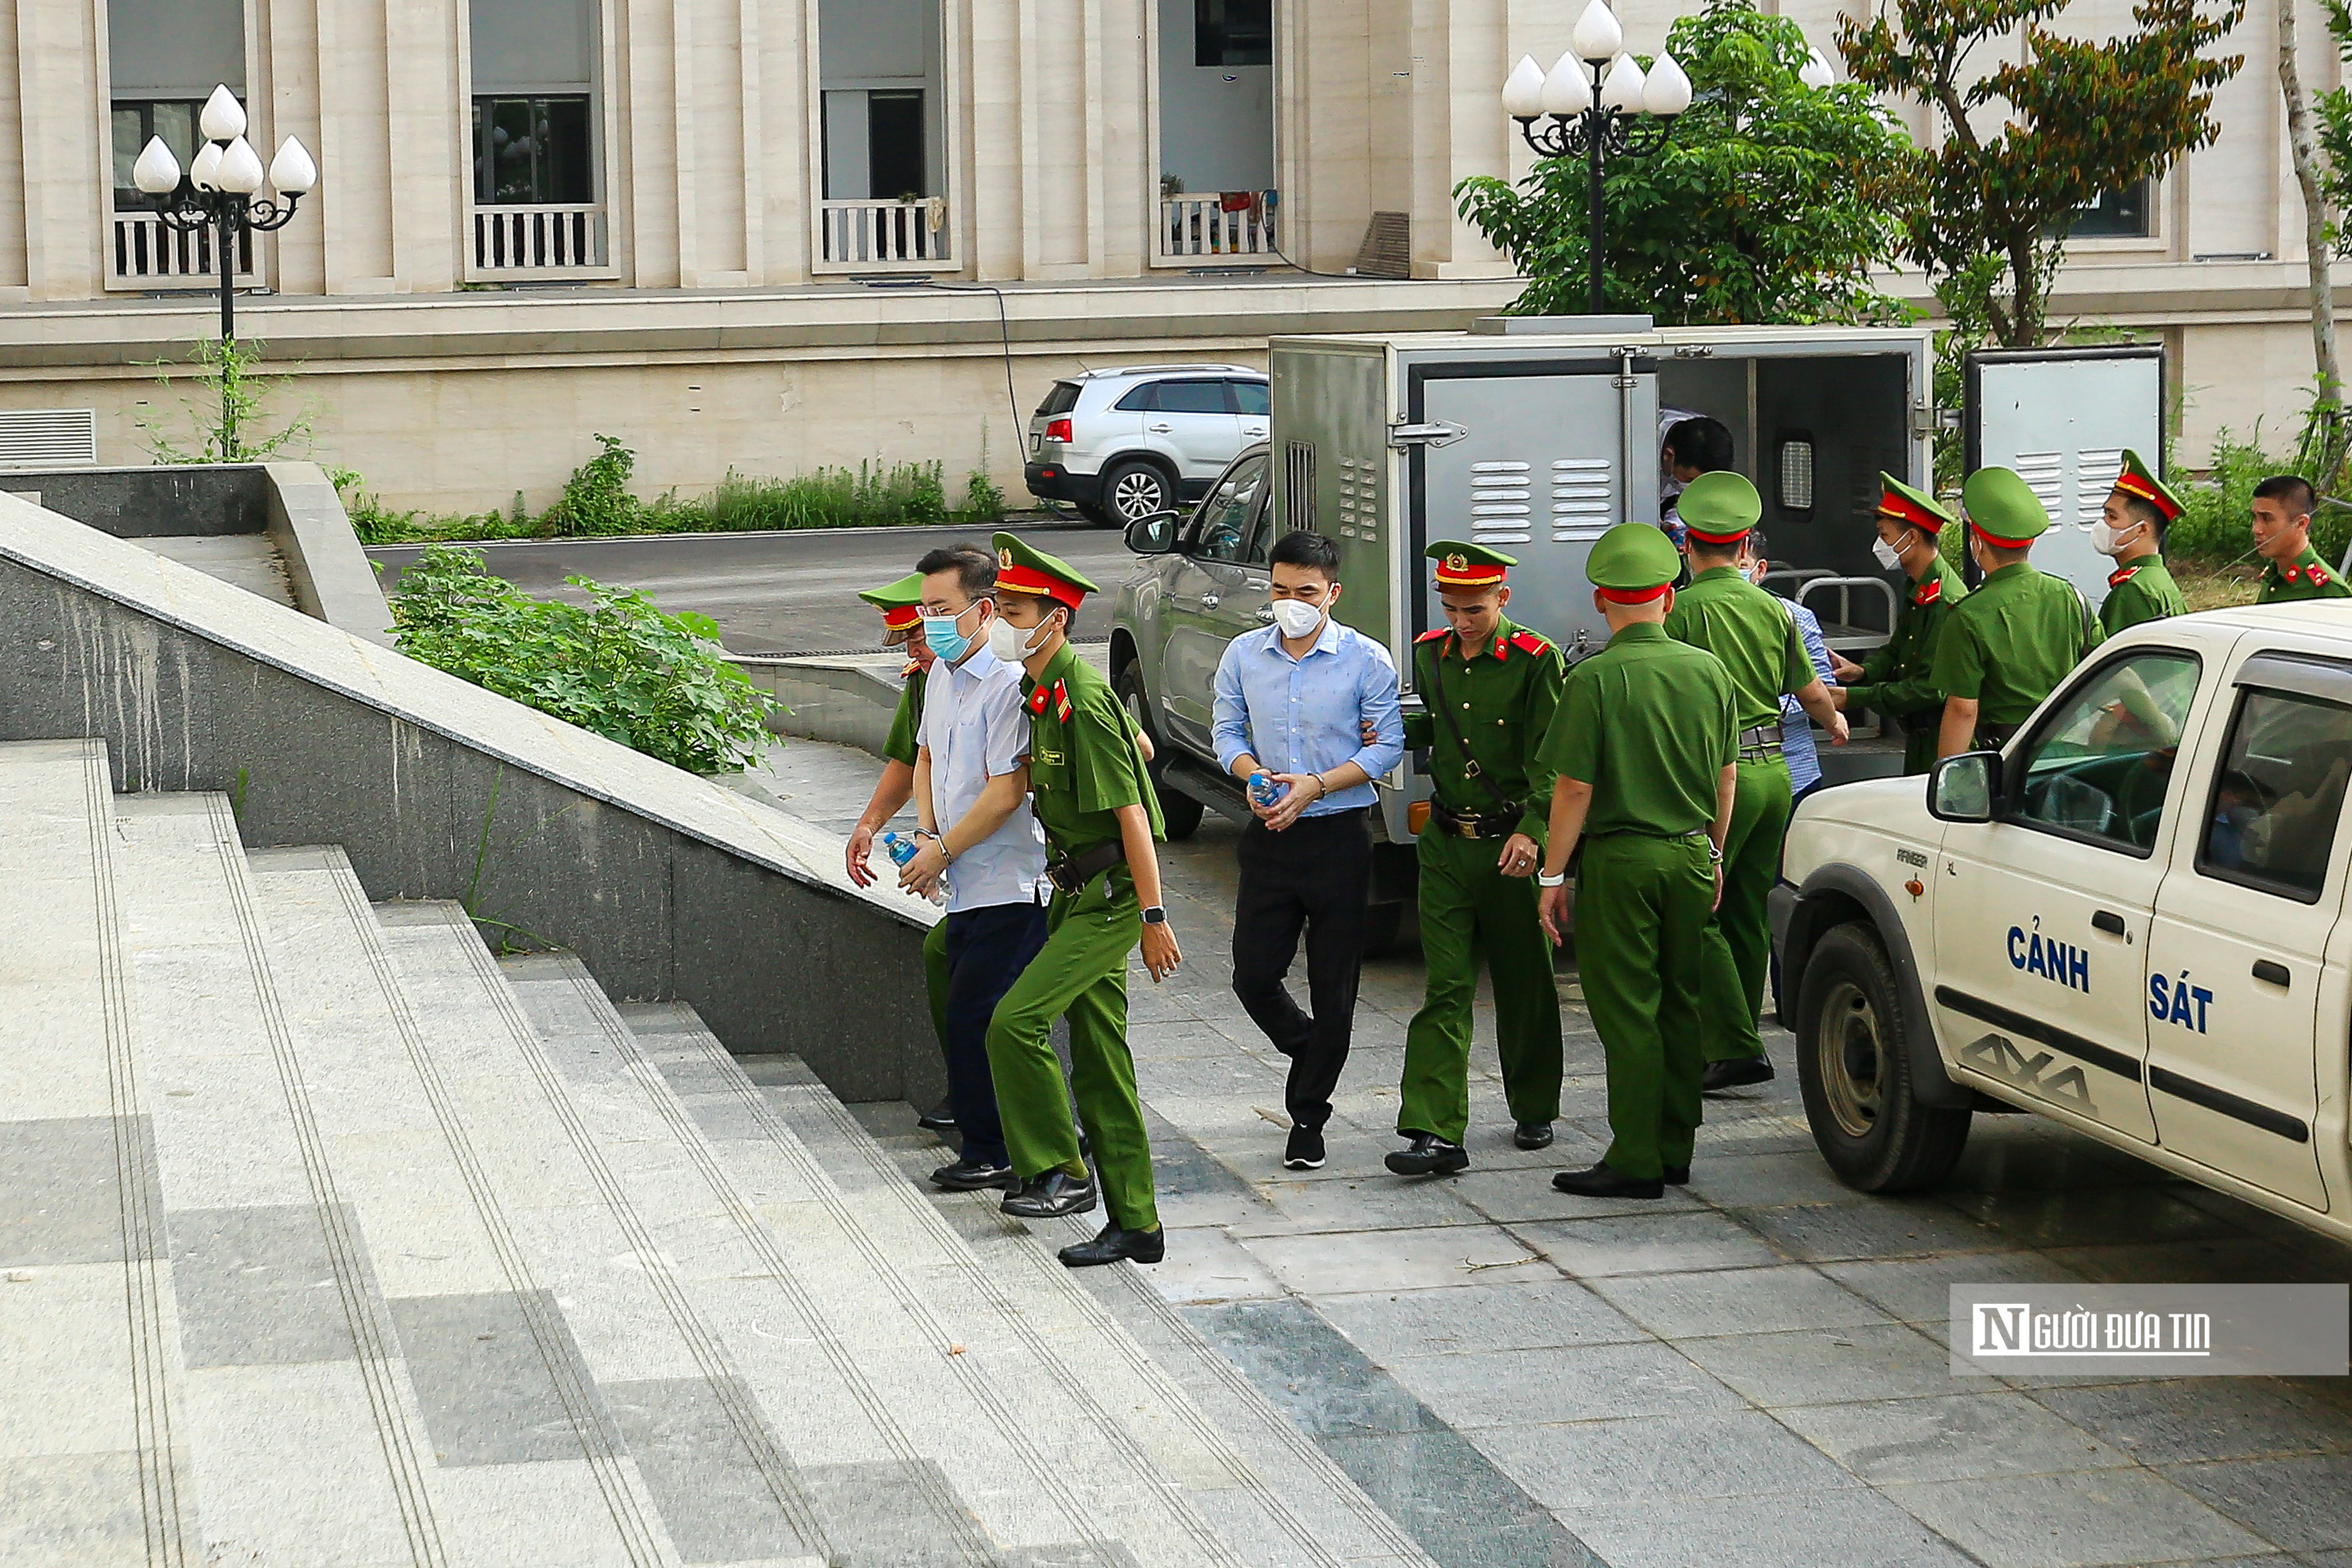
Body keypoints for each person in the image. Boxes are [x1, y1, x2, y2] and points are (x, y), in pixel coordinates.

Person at [982, 532, 1181, 1268]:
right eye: (1001, 604)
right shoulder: (1048, 691)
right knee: (1101, 1060)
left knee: (1014, 1021)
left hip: (1113, 896)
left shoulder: (1081, 696)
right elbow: (1140, 751)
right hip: (1075, 889)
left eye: (1017, 606)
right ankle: (1138, 1222)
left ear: (1055, 618)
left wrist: (1154, 917)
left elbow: (1132, 813)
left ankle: (1063, 1172)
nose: (1005, 617)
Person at [1534, 522, 1739, 1199]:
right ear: (1669, 599)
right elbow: (1726, 777)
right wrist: (1712, 851)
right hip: (1687, 851)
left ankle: (1635, 1156)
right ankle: (1675, 1144)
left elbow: (1573, 788)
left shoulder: (1592, 678)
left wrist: (1553, 874)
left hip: (1622, 860)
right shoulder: (1709, 671)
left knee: (1627, 1009)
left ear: (1600, 602)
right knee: (1680, 1000)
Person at [1211, 529, 1405, 1171]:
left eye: (1306, 592)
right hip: (1269, 832)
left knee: (1334, 983)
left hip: (1337, 834)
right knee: (1252, 973)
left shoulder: (1365, 659)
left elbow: (1384, 747)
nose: (1291, 603)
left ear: (1332, 593)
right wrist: (1252, 776)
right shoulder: (1244, 653)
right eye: (1280, 590)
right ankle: (1313, 1047)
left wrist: (1315, 785)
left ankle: (1307, 1116)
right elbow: (1226, 728)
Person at [1662, 473, 1846, 1093]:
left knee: (1696, 907)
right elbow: (1810, 689)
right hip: (1774, 774)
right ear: (1745, 551)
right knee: (1745, 909)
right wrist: (1834, 721)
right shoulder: (1775, 608)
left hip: (1717, 777)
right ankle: (1731, 1033)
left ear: (1686, 546)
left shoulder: (1679, 611)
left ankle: (1732, 1045)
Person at [1388, 541, 1566, 1177]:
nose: (1463, 620)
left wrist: (1534, 829)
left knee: (1524, 983)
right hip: (1444, 843)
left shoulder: (1535, 659)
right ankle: (1433, 1129)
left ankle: (1535, 1103)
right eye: (1452, 607)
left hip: (1509, 845)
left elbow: (1553, 754)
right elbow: (1430, 730)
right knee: (1446, 986)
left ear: (1502, 599)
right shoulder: (1429, 653)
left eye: (1475, 608)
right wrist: (1378, 733)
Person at [896, 544, 1053, 1194]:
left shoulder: (1007, 684)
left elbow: (1004, 792)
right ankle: (986, 1141)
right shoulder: (940, 675)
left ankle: (998, 1149)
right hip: (963, 879)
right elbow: (927, 756)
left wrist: (944, 850)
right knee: (963, 1009)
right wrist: (927, 836)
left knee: (980, 1015)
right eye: (925, 607)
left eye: (942, 609)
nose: (929, 621)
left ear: (983, 609)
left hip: (1011, 883)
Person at [845, 571, 957, 1132]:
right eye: (909, 642)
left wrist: (938, 843)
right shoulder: (927, 679)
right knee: (947, 959)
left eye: (920, 635)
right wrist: (871, 824)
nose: (915, 651)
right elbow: (912, 758)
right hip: (962, 858)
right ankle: (971, 1091)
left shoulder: (1000, 678)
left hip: (1026, 866)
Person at [1933, 465, 2104, 758]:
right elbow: (2108, 674)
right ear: (2031, 541)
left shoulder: (1967, 615)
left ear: (1976, 540)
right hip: (2070, 754)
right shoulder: (2071, 597)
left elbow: (1962, 709)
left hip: (2007, 759)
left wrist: (1946, 781)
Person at [1830, 474, 1966, 776]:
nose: (1881, 545)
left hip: (1939, 739)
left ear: (1913, 537)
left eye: (1885, 535)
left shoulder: (1945, 600)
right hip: (1919, 736)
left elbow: (1930, 689)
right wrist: (1863, 671)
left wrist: (1853, 697)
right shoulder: (1918, 588)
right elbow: (1897, 650)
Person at [1747, 536, 1837, 807]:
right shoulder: (1687, 612)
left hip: (1791, 765)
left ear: (1760, 570)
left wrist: (1758, 708)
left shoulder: (1794, 617)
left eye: (1742, 564)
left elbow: (1824, 689)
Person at [2098, 450, 2190, 633]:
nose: (2103, 523)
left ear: (2141, 529)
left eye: (2112, 516)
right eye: (2105, 514)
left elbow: (2119, 659)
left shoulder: (2133, 590)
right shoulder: (2155, 578)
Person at [2251, 474, 2352, 603]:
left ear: (2301, 523)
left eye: (2267, 519)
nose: (2256, 529)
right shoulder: (2273, 574)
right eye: (2255, 518)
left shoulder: (2327, 589)